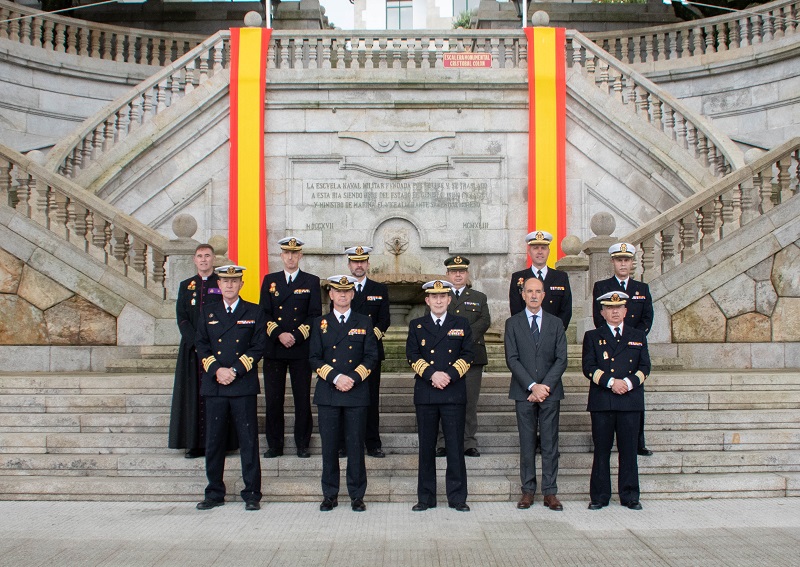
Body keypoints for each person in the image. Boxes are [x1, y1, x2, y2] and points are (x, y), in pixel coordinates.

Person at [194, 265, 266, 511]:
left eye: (234, 281)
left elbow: (258, 347)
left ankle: (252, 493)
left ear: (241, 284)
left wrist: (234, 370)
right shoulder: (208, 311)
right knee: (214, 441)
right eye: (225, 281)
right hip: (215, 385)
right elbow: (201, 345)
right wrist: (217, 371)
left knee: (248, 441)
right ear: (219, 284)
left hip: (242, 384)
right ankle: (214, 492)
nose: (229, 285)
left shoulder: (254, 311)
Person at [310, 275, 379, 512]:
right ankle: (329, 494)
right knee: (329, 448)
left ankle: (357, 495)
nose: (342, 295)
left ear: (352, 294)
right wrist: (336, 377)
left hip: (356, 392)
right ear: (330, 295)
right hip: (329, 392)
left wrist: (354, 377)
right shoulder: (319, 323)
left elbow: (371, 356)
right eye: (337, 291)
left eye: (346, 291)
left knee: (355, 447)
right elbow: (314, 358)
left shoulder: (365, 322)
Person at [406, 280, 474, 512]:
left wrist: (449, 375)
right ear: (427, 300)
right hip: (426, 392)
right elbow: (412, 356)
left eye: (442, 296)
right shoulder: (416, 325)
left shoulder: (461, 323)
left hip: (453, 392)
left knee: (455, 447)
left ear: (448, 299)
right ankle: (425, 498)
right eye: (433, 297)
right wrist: (433, 374)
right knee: (426, 448)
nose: (437, 300)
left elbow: (468, 355)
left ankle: (457, 497)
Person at [582, 291, 651, 511]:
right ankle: (600, 496)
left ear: (625, 311)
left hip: (630, 401)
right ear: (602, 312)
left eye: (619, 307)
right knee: (601, 451)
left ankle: (630, 495)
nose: (614, 311)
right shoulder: (593, 336)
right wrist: (612, 382)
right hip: (603, 401)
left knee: (629, 451)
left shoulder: (638, 336)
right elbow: (589, 367)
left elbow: (644, 367)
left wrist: (627, 384)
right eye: (610, 308)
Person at [505, 276, 568, 511]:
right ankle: (528, 491)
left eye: (537, 291)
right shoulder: (512, 323)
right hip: (524, 393)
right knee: (527, 443)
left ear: (544, 295)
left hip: (550, 393)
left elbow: (562, 359)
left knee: (550, 443)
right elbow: (512, 359)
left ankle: (550, 492)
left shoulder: (555, 323)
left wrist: (544, 387)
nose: (533, 295)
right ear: (522, 294)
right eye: (529, 291)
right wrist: (532, 386)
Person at [259, 236, 322, 459]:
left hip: (300, 348)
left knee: (302, 398)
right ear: (281, 255)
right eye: (287, 253)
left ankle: (302, 444)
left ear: (301, 255)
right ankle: (274, 444)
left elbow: (315, 315)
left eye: (295, 253)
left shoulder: (311, 281)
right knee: (273, 399)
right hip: (275, 348)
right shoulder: (270, 280)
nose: (291, 257)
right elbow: (264, 313)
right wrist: (279, 334)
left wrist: (294, 335)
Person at [591, 242, 654, 456]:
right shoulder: (602, 287)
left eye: (627, 260)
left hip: (634, 347)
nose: (623, 264)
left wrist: (634, 340)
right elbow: (599, 317)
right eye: (620, 260)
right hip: (609, 346)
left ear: (632, 263)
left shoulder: (642, 289)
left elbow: (647, 318)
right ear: (613, 262)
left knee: (635, 395)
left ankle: (638, 441)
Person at [168, 243, 228, 458]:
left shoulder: (221, 283)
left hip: (216, 350)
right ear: (194, 260)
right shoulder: (186, 286)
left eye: (207, 256)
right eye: (200, 256)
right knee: (192, 395)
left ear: (213, 259)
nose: (203, 260)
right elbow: (182, 317)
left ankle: (219, 442)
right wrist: (195, 342)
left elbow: (225, 314)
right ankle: (193, 442)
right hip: (192, 351)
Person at [435, 255, 490, 458]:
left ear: (467, 274)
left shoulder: (479, 297)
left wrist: (463, 339)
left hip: (473, 357)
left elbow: (484, 321)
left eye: (462, 271)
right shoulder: (438, 296)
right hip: (444, 358)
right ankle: (443, 442)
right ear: (447, 274)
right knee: (443, 399)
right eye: (453, 271)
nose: (458, 275)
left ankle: (468, 442)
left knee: (469, 401)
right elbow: (430, 321)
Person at [341, 246, 390, 458]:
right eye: (354, 261)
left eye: (362, 261)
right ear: (349, 264)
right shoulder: (340, 289)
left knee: (370, 399)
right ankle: (345, 443)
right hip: (345, 354)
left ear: (368, 264)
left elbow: (384, 320)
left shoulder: (379, 289)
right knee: (345, 399)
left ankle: (372, 442)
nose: (358, 265)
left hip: (370, 354)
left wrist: (367, 340)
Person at [508, 230, 572, 330]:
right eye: (535, 248)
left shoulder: (561, 277)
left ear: (549, 251)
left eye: (543, 248)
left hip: (553, 334)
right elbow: (516, 310)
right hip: (526, 334)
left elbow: (566, 310)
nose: (540, 252)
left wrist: (556, 332)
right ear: (529, 252)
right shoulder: (518, 278)